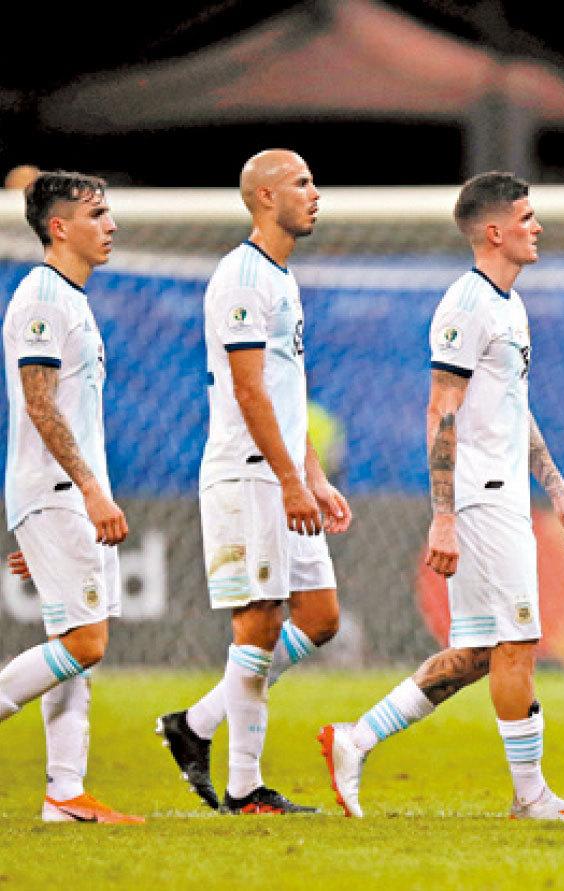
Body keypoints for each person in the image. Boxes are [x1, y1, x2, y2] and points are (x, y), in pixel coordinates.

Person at [317, 172, 564, 822]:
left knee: (479, 652)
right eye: (527, 217)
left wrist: (559, 495)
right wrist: (444, 517)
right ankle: (531, 796)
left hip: (503, 495)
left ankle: (354, 739)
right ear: (494, 231)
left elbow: (513, 409)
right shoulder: (466, 305)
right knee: (518, 642)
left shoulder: (511, 306)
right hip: (480, 500)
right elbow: (440, 411)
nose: (538, 227)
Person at [155, 149, 352, 815]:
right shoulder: (242, 278)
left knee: (319, 617)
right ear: (266, 197)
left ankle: (196, 724)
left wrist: (313, 477)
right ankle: (244, 786)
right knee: (259, 620)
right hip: (249, 474)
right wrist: (289, 481)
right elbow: (248, 391)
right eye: (302, 182)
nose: (315, 193)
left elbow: (285, 392)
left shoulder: (281, 278)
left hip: (283, 473)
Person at [0, 171, 142, 823]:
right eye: (97, 214)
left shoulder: (70, 298)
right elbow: (39, 404)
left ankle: (65, 792)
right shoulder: (41, 297)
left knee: (72, 644)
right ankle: (64, 789)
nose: (111, 225)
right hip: (61, 489)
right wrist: (87, 492)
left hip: (64, 494)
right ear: (59, 227)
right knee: (85, 643)